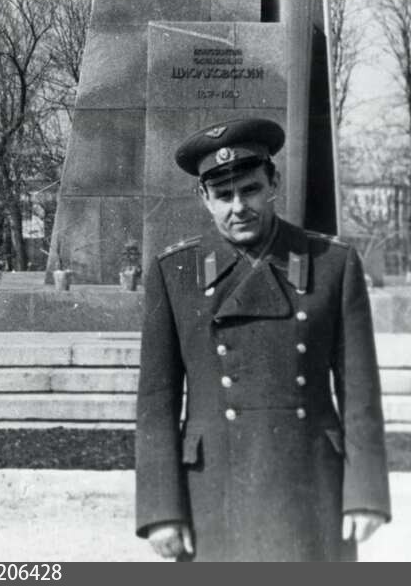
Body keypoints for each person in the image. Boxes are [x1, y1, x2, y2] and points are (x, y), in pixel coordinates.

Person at [135, 117, 391, 562]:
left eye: (250, 190)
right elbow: (156, 401)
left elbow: (360, 389)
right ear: (204, 197)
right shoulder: (174, 273)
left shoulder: (332, 264)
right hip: (212, 488)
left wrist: (365, 493)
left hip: (312, 485)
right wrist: (161, 510)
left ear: (273, 183)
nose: (239, 207)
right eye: (223, 195)